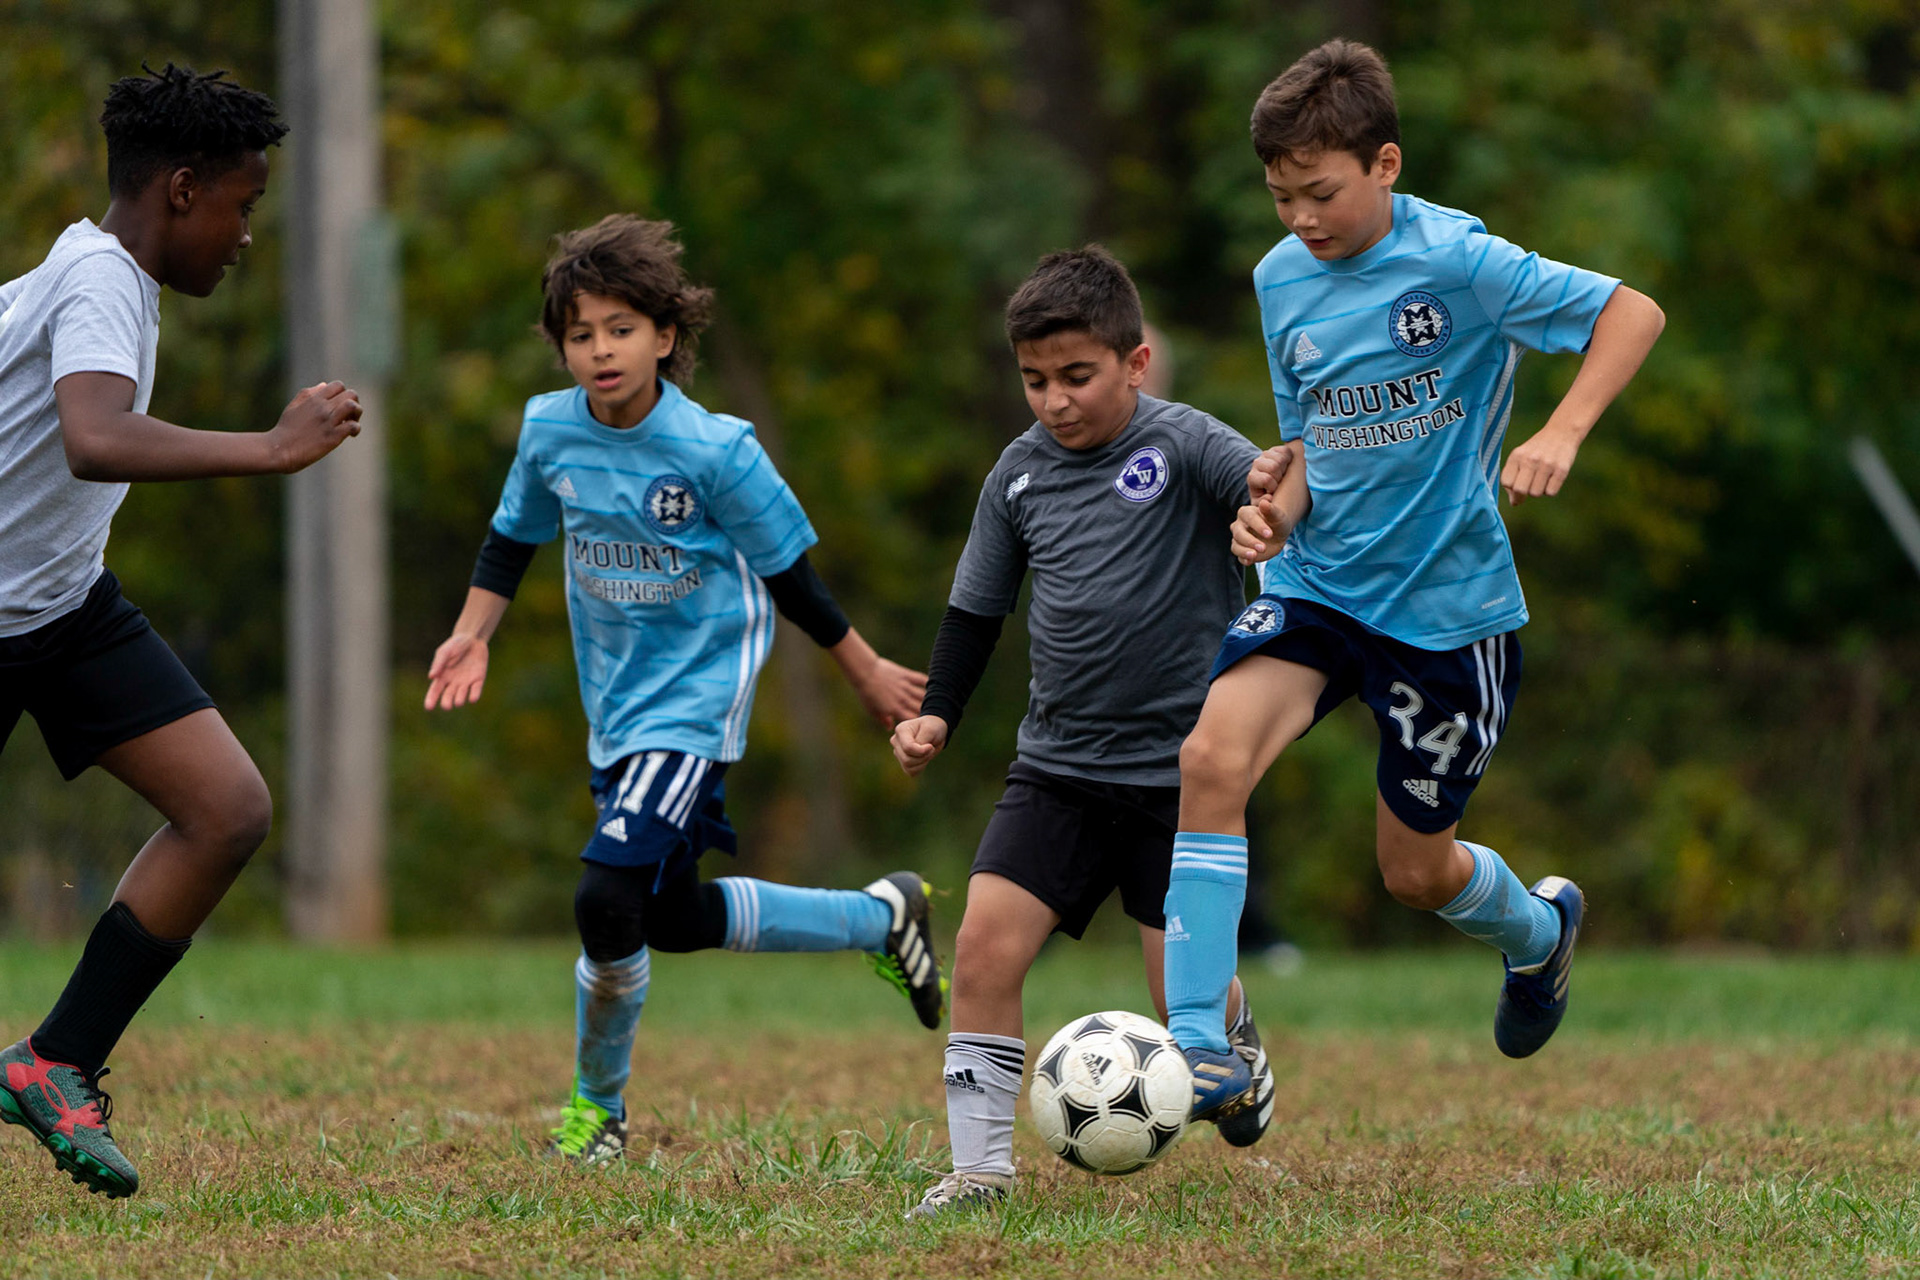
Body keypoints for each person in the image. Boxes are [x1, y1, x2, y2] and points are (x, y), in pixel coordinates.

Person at [1163, 39, 1666, 1119]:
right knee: (1209, 755)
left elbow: (1635, 312)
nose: (1300, 218)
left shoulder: (1463, 265)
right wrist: (1270, 511)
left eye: (1322, 192)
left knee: (1414, 872)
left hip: (1446, 613)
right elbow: (1306, 445)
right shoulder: (1277, 279)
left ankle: (1540, 934)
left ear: (1385, 164)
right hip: (1320, 586)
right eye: (1281, 195)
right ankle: (1200, 1043)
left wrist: (1563, 432)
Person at [424, 214, 941, 1164]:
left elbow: (791, 573)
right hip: (615, 710)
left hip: (696, 705)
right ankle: (882, 916)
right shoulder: (548, 433)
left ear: (666, 335)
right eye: (580, 334)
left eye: (620, 328)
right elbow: (510, 540)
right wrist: (470, 634)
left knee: (601, 897)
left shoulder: (716, 451)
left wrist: (865, 669)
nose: (600, 350)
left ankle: (597, 1115)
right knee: (668, 918)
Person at [0, 65, 364, 1199]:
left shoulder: (90, 273)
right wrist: (272, 446)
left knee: (226, 808)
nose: (247, 234)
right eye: (244, 207)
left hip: (60, 604)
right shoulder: (102, 277)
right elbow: (93, 437)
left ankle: (55, 1060)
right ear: (183, 188)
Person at [890, 246, 1275, 1218]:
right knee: (980, 949)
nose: (1054, 400)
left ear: (1135, 363)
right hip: (1055, 768)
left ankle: (1240, 1045)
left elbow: (1273, 488)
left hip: (1178, 782)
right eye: (1034, 380)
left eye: (1077, 376)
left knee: (1178, 997)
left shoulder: (1186, 444)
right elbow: (976, 612)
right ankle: (978, 1170)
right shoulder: (1016, 477)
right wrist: (938, 706)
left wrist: (1267, 518)